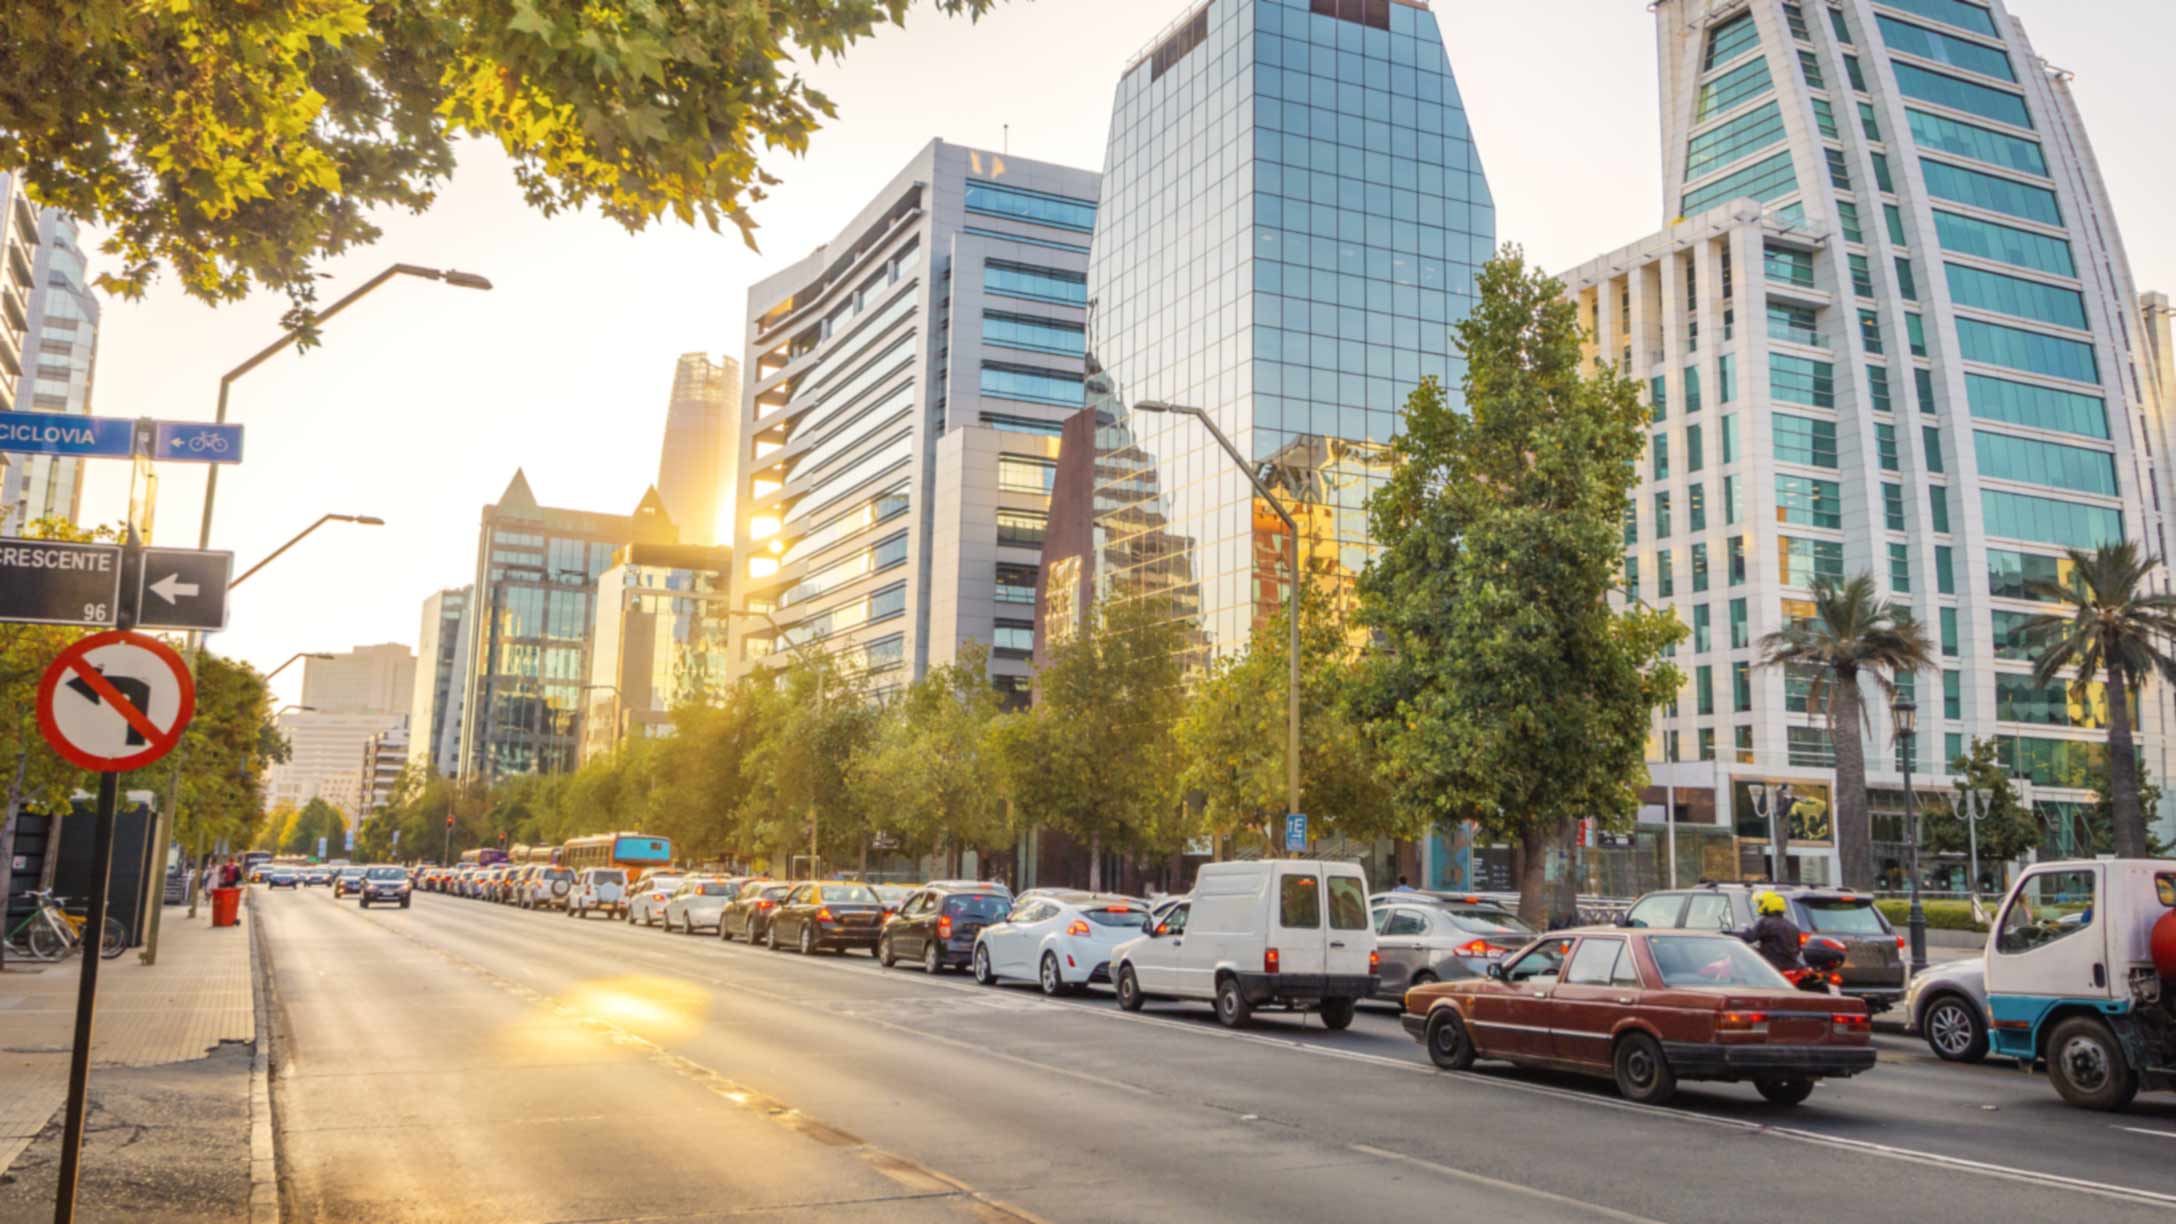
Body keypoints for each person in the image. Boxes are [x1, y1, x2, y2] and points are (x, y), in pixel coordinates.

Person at [1744, 889, 1803, 973]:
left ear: (1766, 905)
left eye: (1760, 903)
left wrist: (1732, 934)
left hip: (1771, 967)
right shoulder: (1793, 926)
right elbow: (1797, 949)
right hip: (1791, 967)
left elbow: (1749, 938)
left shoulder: (1765, 922)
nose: (1759, 906)